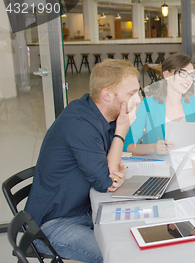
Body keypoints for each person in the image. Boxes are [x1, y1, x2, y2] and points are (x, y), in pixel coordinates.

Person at [25, 59, 141, 262]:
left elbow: (110, 174)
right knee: (122, 255)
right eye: (131, 94)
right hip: (53, 224)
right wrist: (122, 129)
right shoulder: (80, 123)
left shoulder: (98, 115)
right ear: (107, 94)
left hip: (83, 210)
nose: (138, 99)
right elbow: (107, 183)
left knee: (138, 232)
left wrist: (111, 173)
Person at [124, 53, 195, 155]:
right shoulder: (148, 105)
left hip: (190, 164)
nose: (188, 79)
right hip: (159, 167)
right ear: (166, 75)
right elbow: (127, 145)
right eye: (183, 73)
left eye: (191, 75)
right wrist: (153, 148)